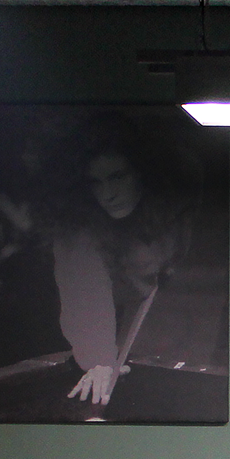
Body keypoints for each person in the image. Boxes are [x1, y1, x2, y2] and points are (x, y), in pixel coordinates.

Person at [42, 116, 201, 407]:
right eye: (96, 183)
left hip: (159, 332)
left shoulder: (176, 210)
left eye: (117, 177)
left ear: (143, 172)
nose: (108, 194)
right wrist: (99, 360)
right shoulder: (77, 232)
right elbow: (85, 295)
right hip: (72, 332)